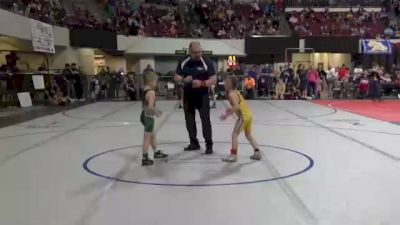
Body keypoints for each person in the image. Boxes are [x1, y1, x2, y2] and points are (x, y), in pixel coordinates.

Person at [174, 41, 216, 154]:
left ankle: (209, 145)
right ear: (189, 52)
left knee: (205, 120)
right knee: (189, 120)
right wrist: (182, 80)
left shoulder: (207, 62)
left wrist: (202, 83)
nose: (198, 54)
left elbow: (214, 79)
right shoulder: (183, 61)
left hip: (202, 96)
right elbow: (176, 76)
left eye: (200, 52)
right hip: (188, 95)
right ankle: (194, 143)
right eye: (195, 52)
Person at [219, 75, 261, 162]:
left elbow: (237, 106)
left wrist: (226, 115)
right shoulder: (236, 92)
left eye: (226, 83)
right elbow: (238, 104)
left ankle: (233, 155)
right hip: (249, 115)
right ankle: (257, 152)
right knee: (248, 135)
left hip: (243, 116)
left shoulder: (231, 94)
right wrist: (230, 110)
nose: (224, 84)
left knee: (234, 134)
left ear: (230, 84)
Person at [140, 71, 168, 166]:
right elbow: (151, 106)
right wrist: (157, 112)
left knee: (152, 135)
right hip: (149, 117)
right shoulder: (151, 92)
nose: (156, 83)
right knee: (147, 138)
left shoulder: (144, 89)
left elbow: (146, 104)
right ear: (151, 81)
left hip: (144, 115)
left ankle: (155, 152)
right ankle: (145, 157)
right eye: (155, 81)